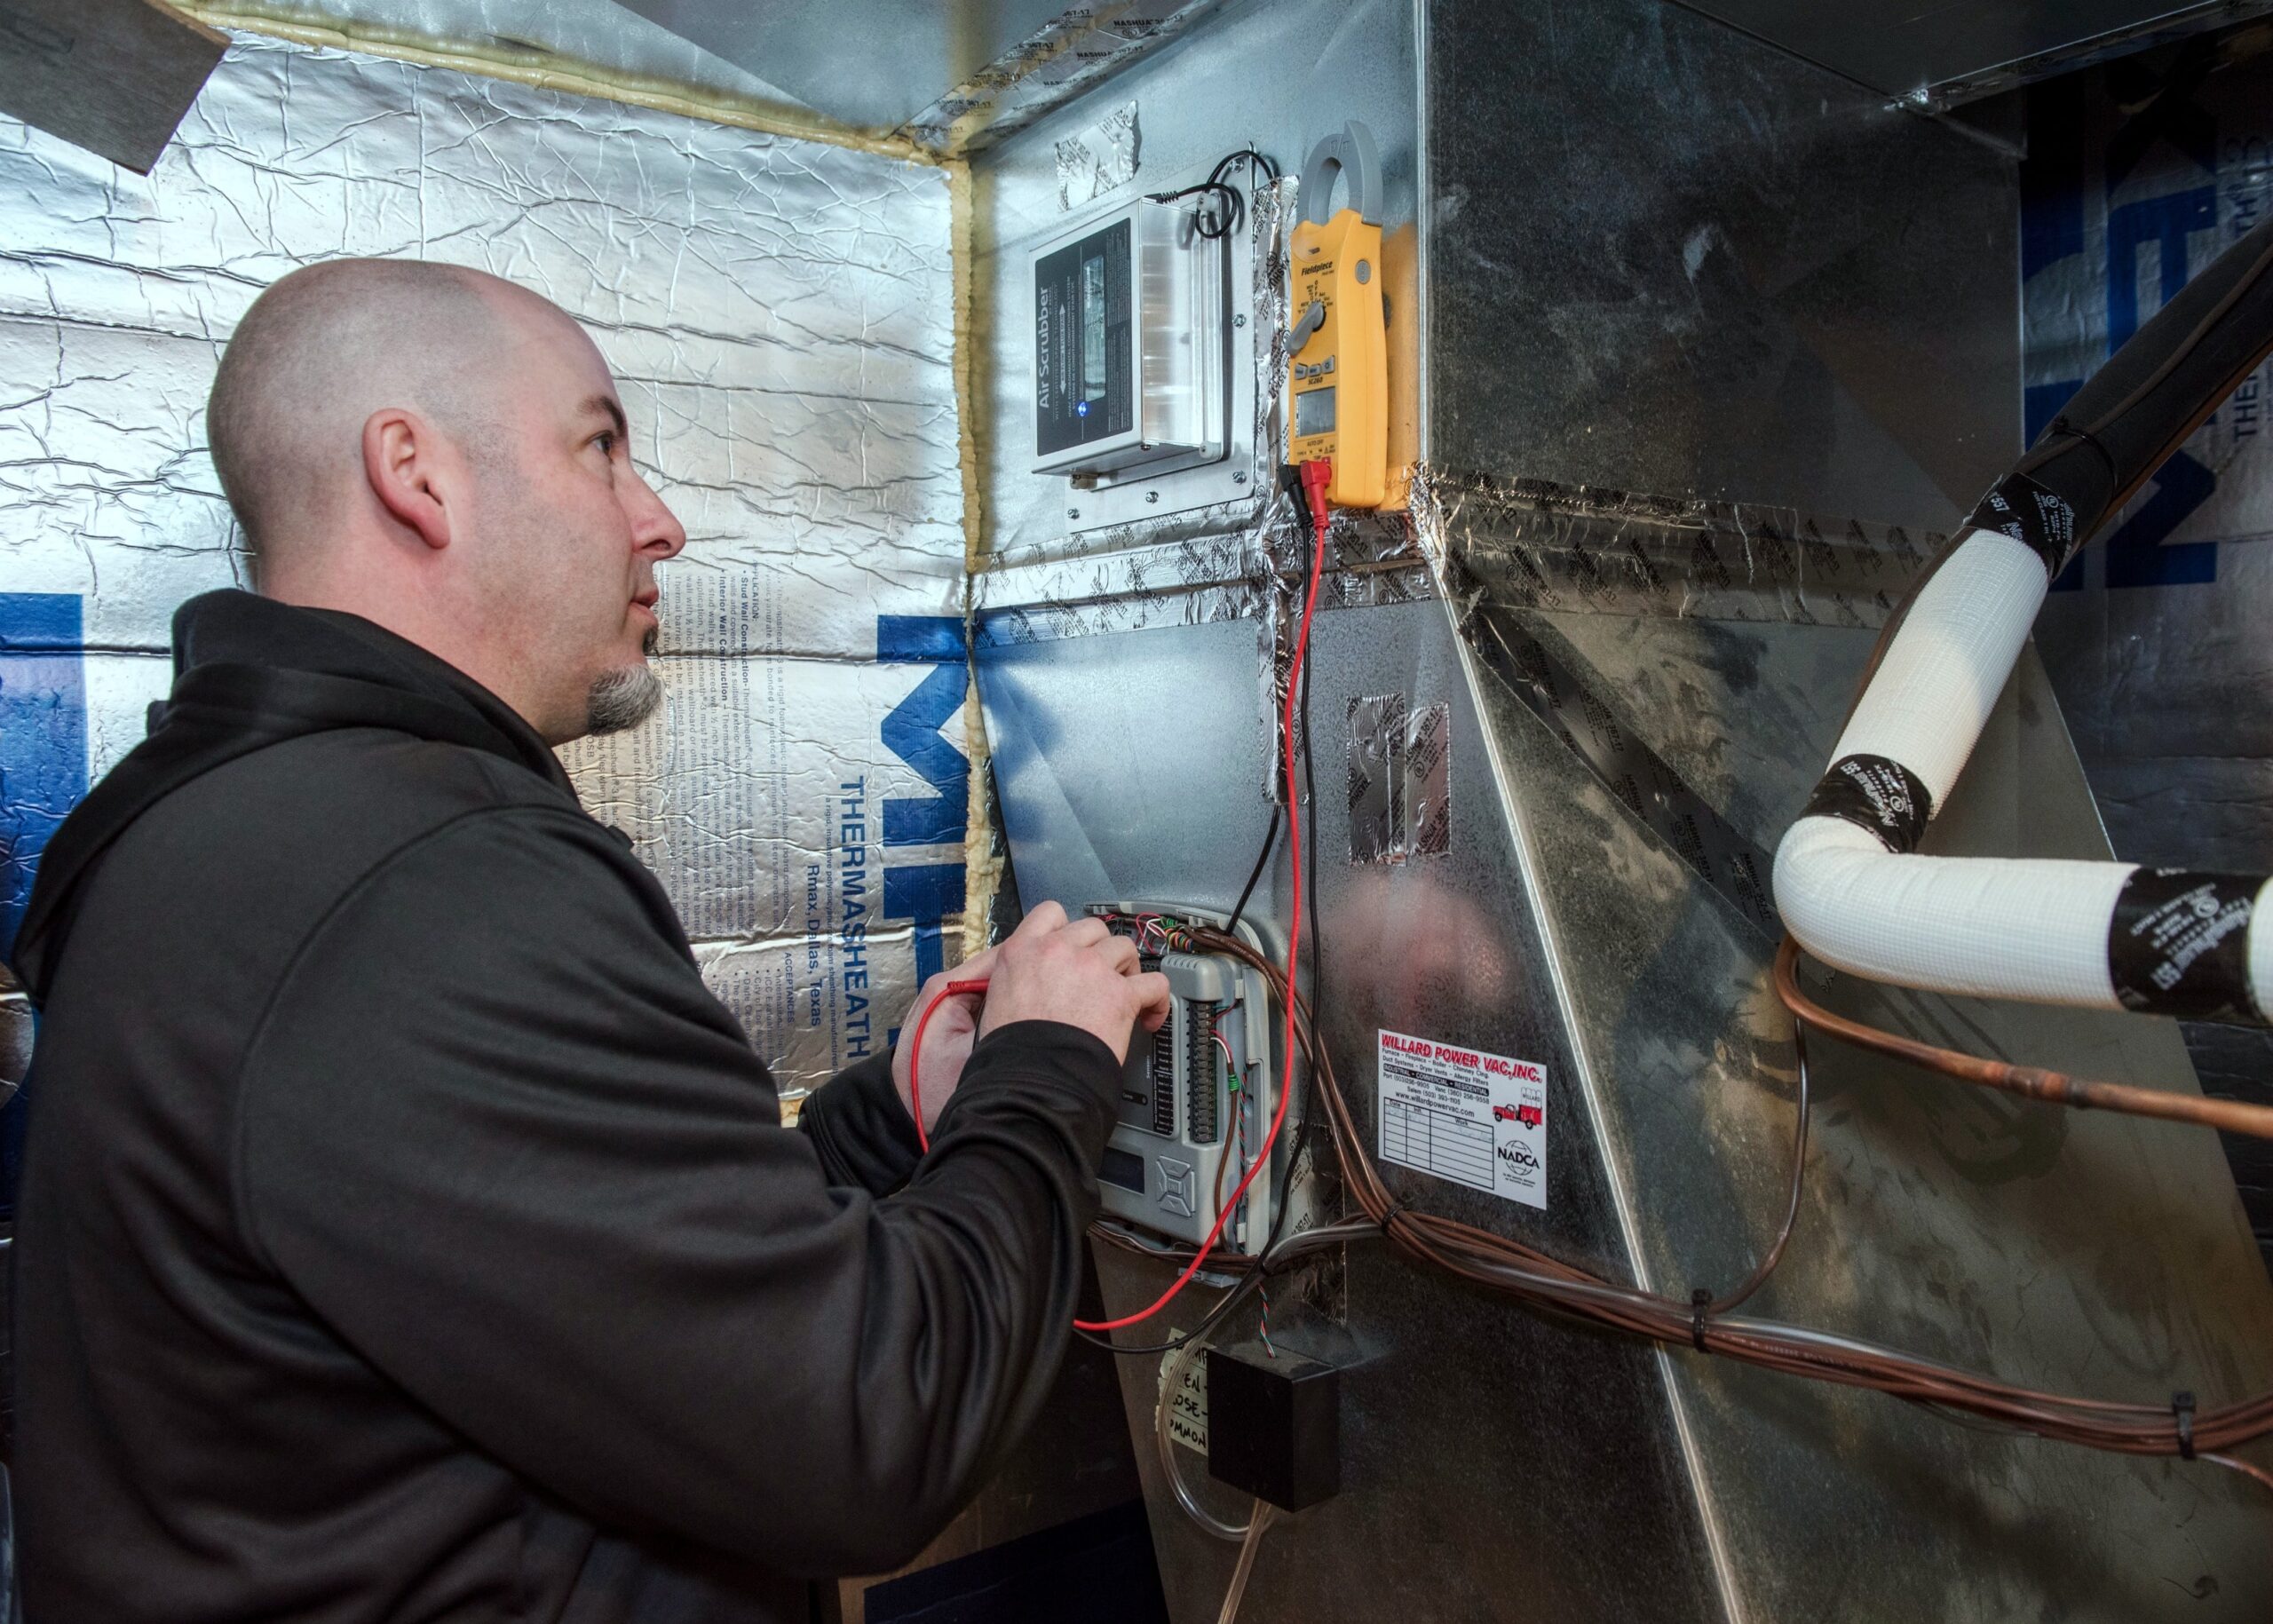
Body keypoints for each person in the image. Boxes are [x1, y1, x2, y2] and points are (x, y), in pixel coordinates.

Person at [4, 258, 1169, 1622]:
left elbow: (592, 1283)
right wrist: (1044, 1068)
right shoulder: (425, 885)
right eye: (601, 444)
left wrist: (908, 1114)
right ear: (415, 474)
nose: (658, 521)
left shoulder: (211, 834)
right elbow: (870, 1419)